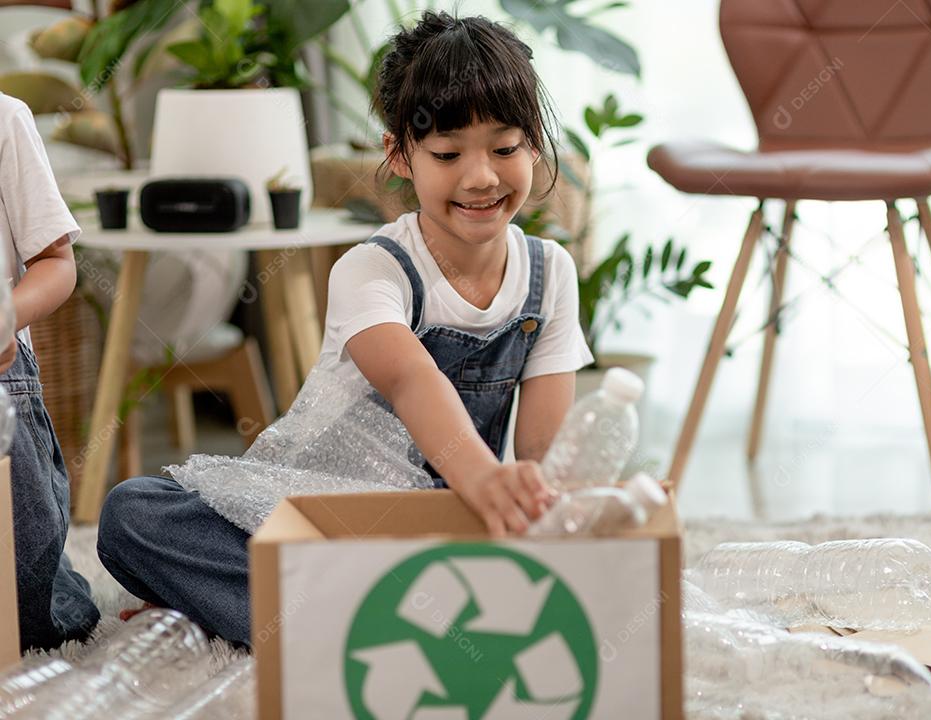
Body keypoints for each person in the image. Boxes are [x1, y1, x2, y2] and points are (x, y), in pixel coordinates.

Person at [96, 11, 593, 646]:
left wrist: (540, 501)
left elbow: (543, 454)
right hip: (313, 515)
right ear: (399, 156)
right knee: (132, 515)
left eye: (505, 148)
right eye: (447, 154)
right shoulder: (373, 269)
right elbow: (412, 378)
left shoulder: (550, 274)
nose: (480, 178)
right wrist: (482, 476)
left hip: (434, 528)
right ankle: (374, 621)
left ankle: (314, 614)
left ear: (535, 144)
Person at [0, 92, 100, 650]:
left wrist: (8, 313)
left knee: (28, 615)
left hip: (1, 379)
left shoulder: (5, 119)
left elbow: (56, 265)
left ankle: (51, 580)